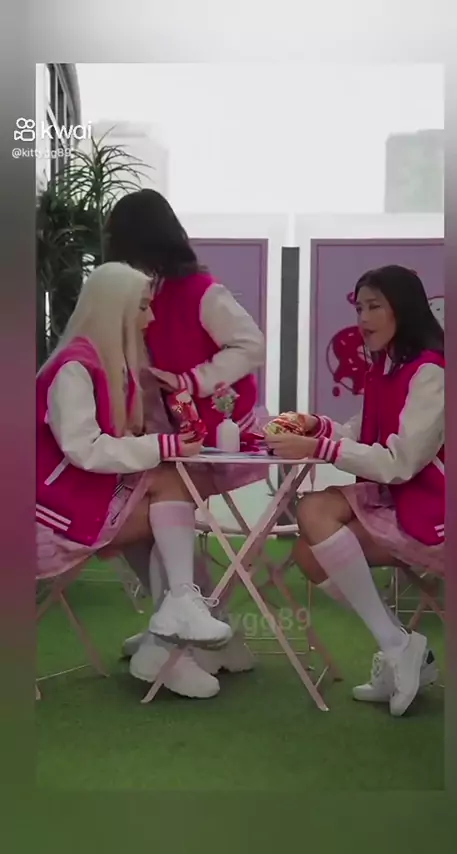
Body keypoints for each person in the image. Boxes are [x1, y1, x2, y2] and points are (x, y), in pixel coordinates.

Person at [36, 261, 245, 700]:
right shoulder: (76, 368)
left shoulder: (101, 364)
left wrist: (161, 443)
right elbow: (84, 449)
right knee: (168, 490)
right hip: (47, 516)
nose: (151, 318)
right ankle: (171, 633)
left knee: (165, 495)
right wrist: (163, 445)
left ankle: (171, 632)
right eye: (144, 307)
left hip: (70, 501)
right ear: (117, 310)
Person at [265, 265, 444, 717]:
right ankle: (397, 644)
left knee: (313, 534)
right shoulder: (386, 366)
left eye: (374, 307)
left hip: (438, 509)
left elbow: (400, 462)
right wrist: (317, 426)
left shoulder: (430, 373)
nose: (363, 318)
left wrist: (320, 447)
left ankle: (399, 646)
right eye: (360, 307)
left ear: (403, 308)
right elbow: (364, 433)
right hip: (399, 499)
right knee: (310, 535)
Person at [104, 189, 266, 670]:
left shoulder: (201, 290)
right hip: (166, 437)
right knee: (140, 518)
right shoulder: (140, 292)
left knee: (151, 511)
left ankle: (180, 628)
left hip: (215, 434)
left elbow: (251, 346)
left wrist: (194, 380)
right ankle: (184, 620)